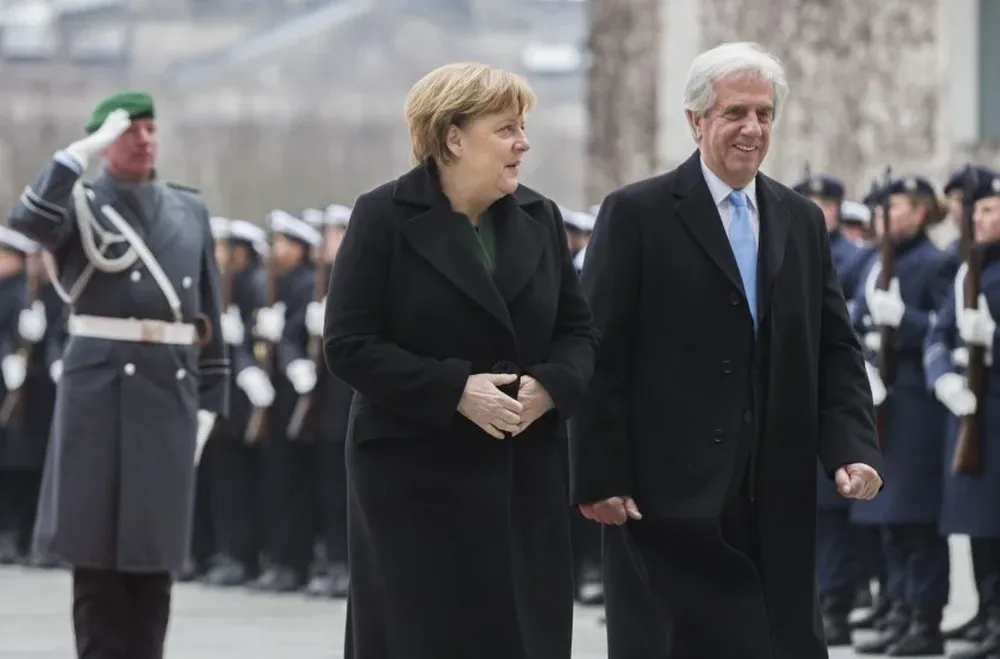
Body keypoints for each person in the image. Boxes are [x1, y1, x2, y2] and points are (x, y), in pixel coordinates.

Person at [570, 42, 883, 659]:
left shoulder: (800, 219)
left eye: (764, 114)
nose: (752, 128)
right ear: (696, 120)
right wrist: (597, 477)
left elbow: (834, 348)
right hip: (665, 501)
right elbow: (599, 355)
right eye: (736, 112)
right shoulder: (636, 213)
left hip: (777, 490)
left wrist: (851, 446)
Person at [323, 62, 599, 659]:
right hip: (413, 479)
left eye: (523, 128)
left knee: (521, 636)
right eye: (506, 129)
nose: (523, 143)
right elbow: (347, 343)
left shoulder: (540, 216)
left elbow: (578, 333)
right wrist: (454, 390)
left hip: (521, 474)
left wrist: (549, 388)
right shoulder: (383, 216)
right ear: (453, 136)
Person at [7, 91, 229, 659]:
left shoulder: (188, 209)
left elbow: (206, 310)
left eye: (151, 128)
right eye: (130, 130)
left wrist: (212, 396)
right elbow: (27, 222)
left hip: (168, 387)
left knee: (155, 556)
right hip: (99, 390)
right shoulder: (79, 202)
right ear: (105, 140)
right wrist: (72, 157)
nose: (145, 139)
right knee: (97, 556)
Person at [849, 176, 956, 656]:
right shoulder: (873, 259)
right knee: (888, 517)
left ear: (918, 212)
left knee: (915, 519)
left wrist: (905, 321)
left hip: (915, 403)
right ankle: (897, 607)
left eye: (894, 208)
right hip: (878, 398)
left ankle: (924, 617)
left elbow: (943, 332)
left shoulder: (935, 263)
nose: (883, 217)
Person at [925, 172, 1000, 659]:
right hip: (970, 407)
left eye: (990, 209)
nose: (979, 217)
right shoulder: (968, 266)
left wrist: (993, 339)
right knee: (975, 520)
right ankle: (987, 610)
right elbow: (939, 333)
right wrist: (942, 378)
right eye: (975, 211)